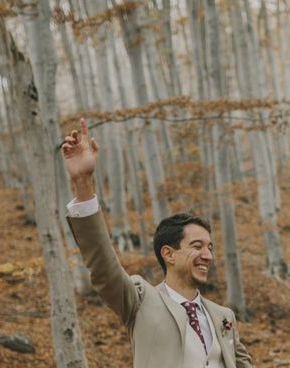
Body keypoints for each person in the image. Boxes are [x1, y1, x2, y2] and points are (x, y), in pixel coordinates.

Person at [61, 119, 252, 368]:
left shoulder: (224, 316)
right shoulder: (140, 300)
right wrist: (82, 183)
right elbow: (103, 267)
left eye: (210, 247)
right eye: (197, 246)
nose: (207, 255)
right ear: (168, 254)